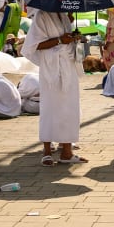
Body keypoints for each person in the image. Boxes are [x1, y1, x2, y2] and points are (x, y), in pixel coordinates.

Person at [21, 9, 88, 166]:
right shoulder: (41, 15)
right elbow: (34, 45)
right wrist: (60, 40)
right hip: (51, 69)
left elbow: (67, 40)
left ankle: (66, 151)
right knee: (50, 108)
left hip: (68, 66)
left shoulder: (64, 15)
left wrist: (74, 36)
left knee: (69, 108)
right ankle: (47, 151)